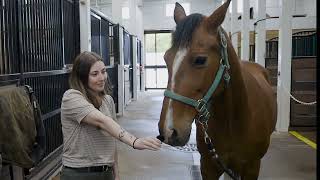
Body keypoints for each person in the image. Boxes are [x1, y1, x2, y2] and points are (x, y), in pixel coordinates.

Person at [60, 51, 161, 180]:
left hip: (106, 173)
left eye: (103, 71)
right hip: (79, 173)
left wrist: (116, 174)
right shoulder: (71, 97)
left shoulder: (107, 100)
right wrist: (134, 141)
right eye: (94, 74)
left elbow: (112, 138)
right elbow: (102, 122)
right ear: (82, 77)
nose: (102, 77)